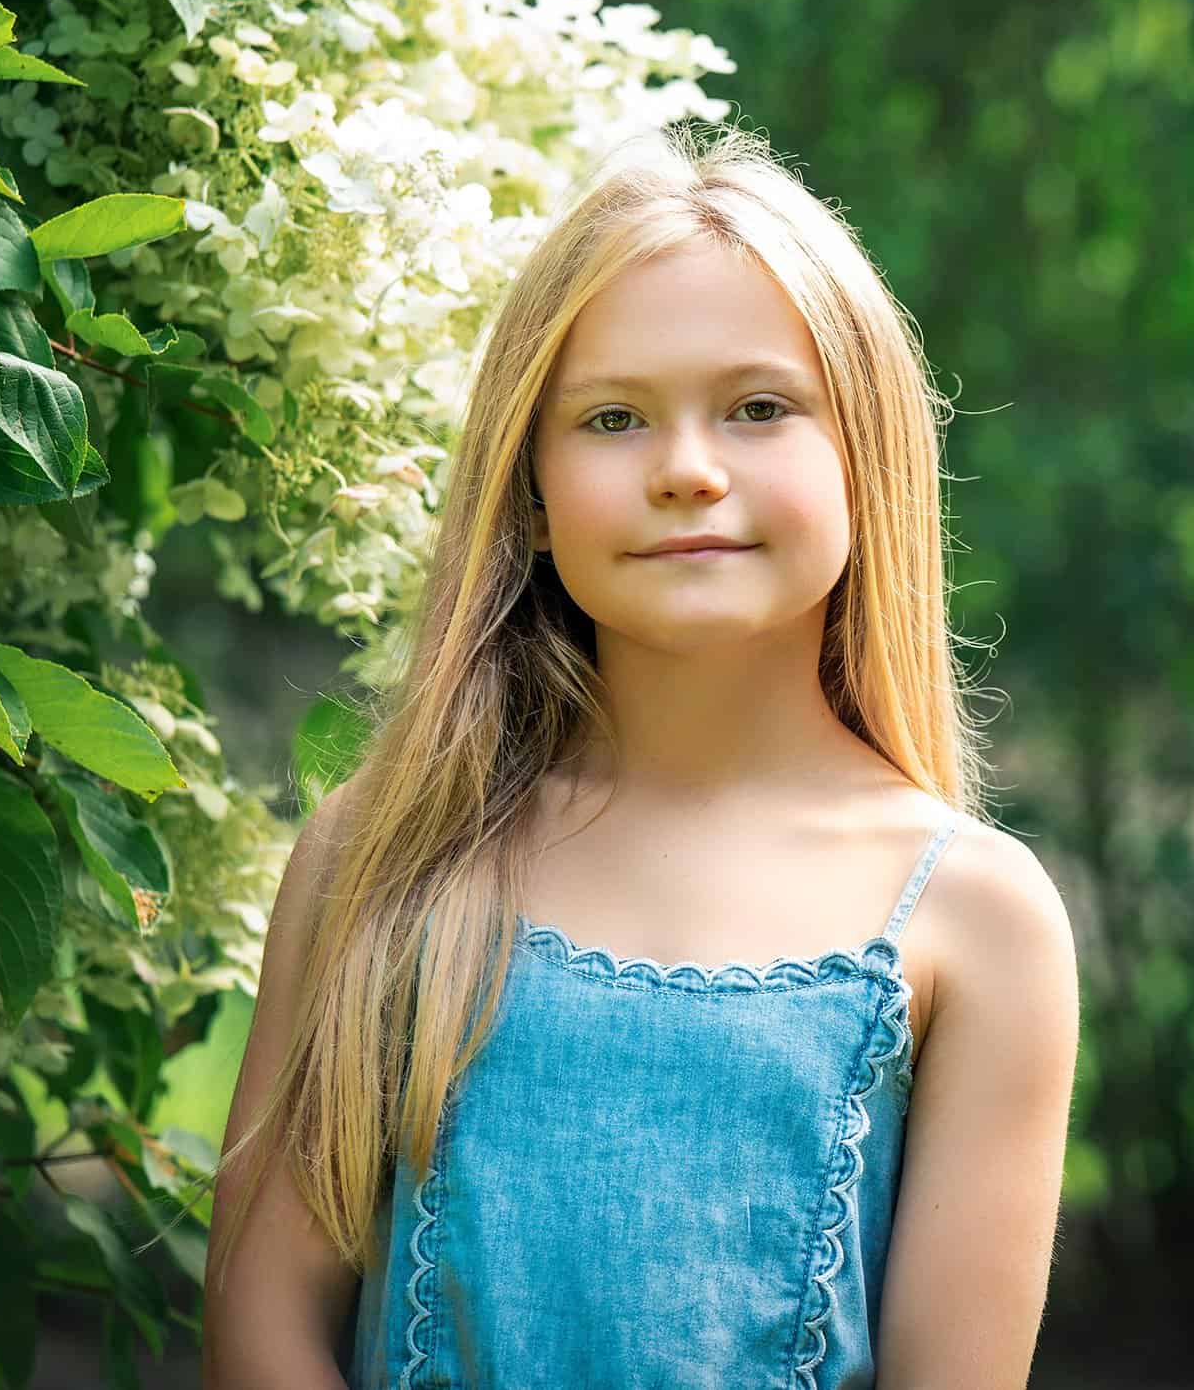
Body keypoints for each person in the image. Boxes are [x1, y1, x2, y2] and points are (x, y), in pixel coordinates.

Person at [200, 121, 1080, 1389]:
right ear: (528, 487)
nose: (685, 470)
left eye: (759, 408)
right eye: (611, 418)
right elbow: (257, 1334)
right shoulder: (380, 855)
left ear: (868, 457)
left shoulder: (977, 919)